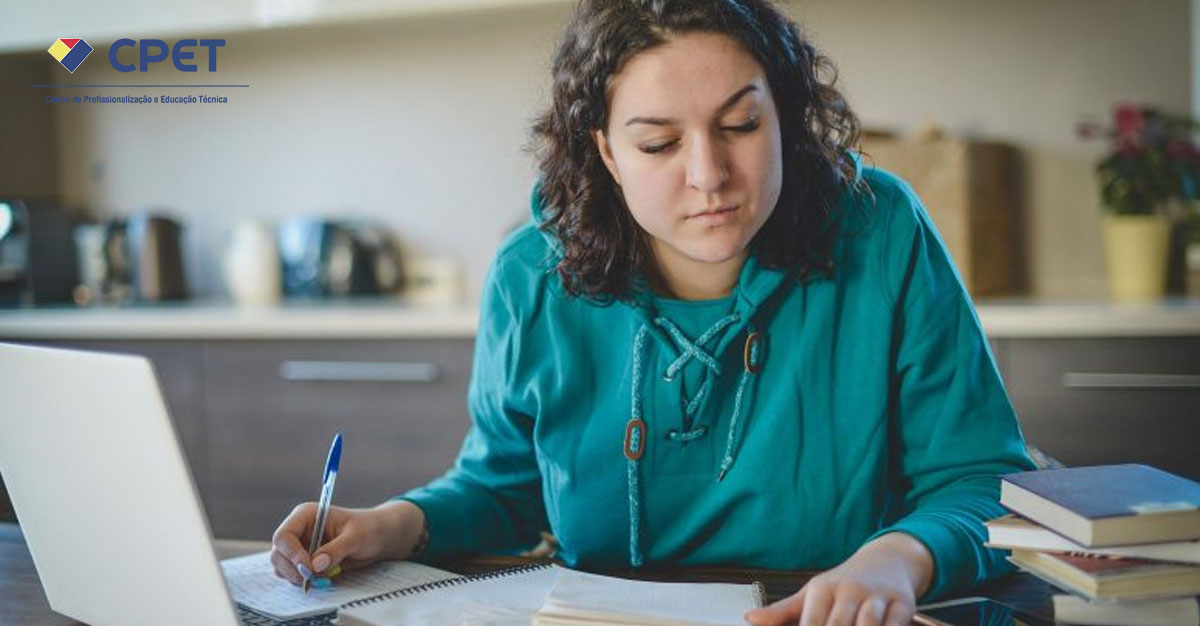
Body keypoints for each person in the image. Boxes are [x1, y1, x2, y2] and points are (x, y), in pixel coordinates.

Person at [270, 1, 1037, 625]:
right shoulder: (530, 273)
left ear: (787, 117)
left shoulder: (883, 229)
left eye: (741, 126)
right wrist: (391, 525)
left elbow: (981, 478)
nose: (710, 176)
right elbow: (507, 487)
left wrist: (896, 559)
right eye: (659, 143)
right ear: (605, 152)